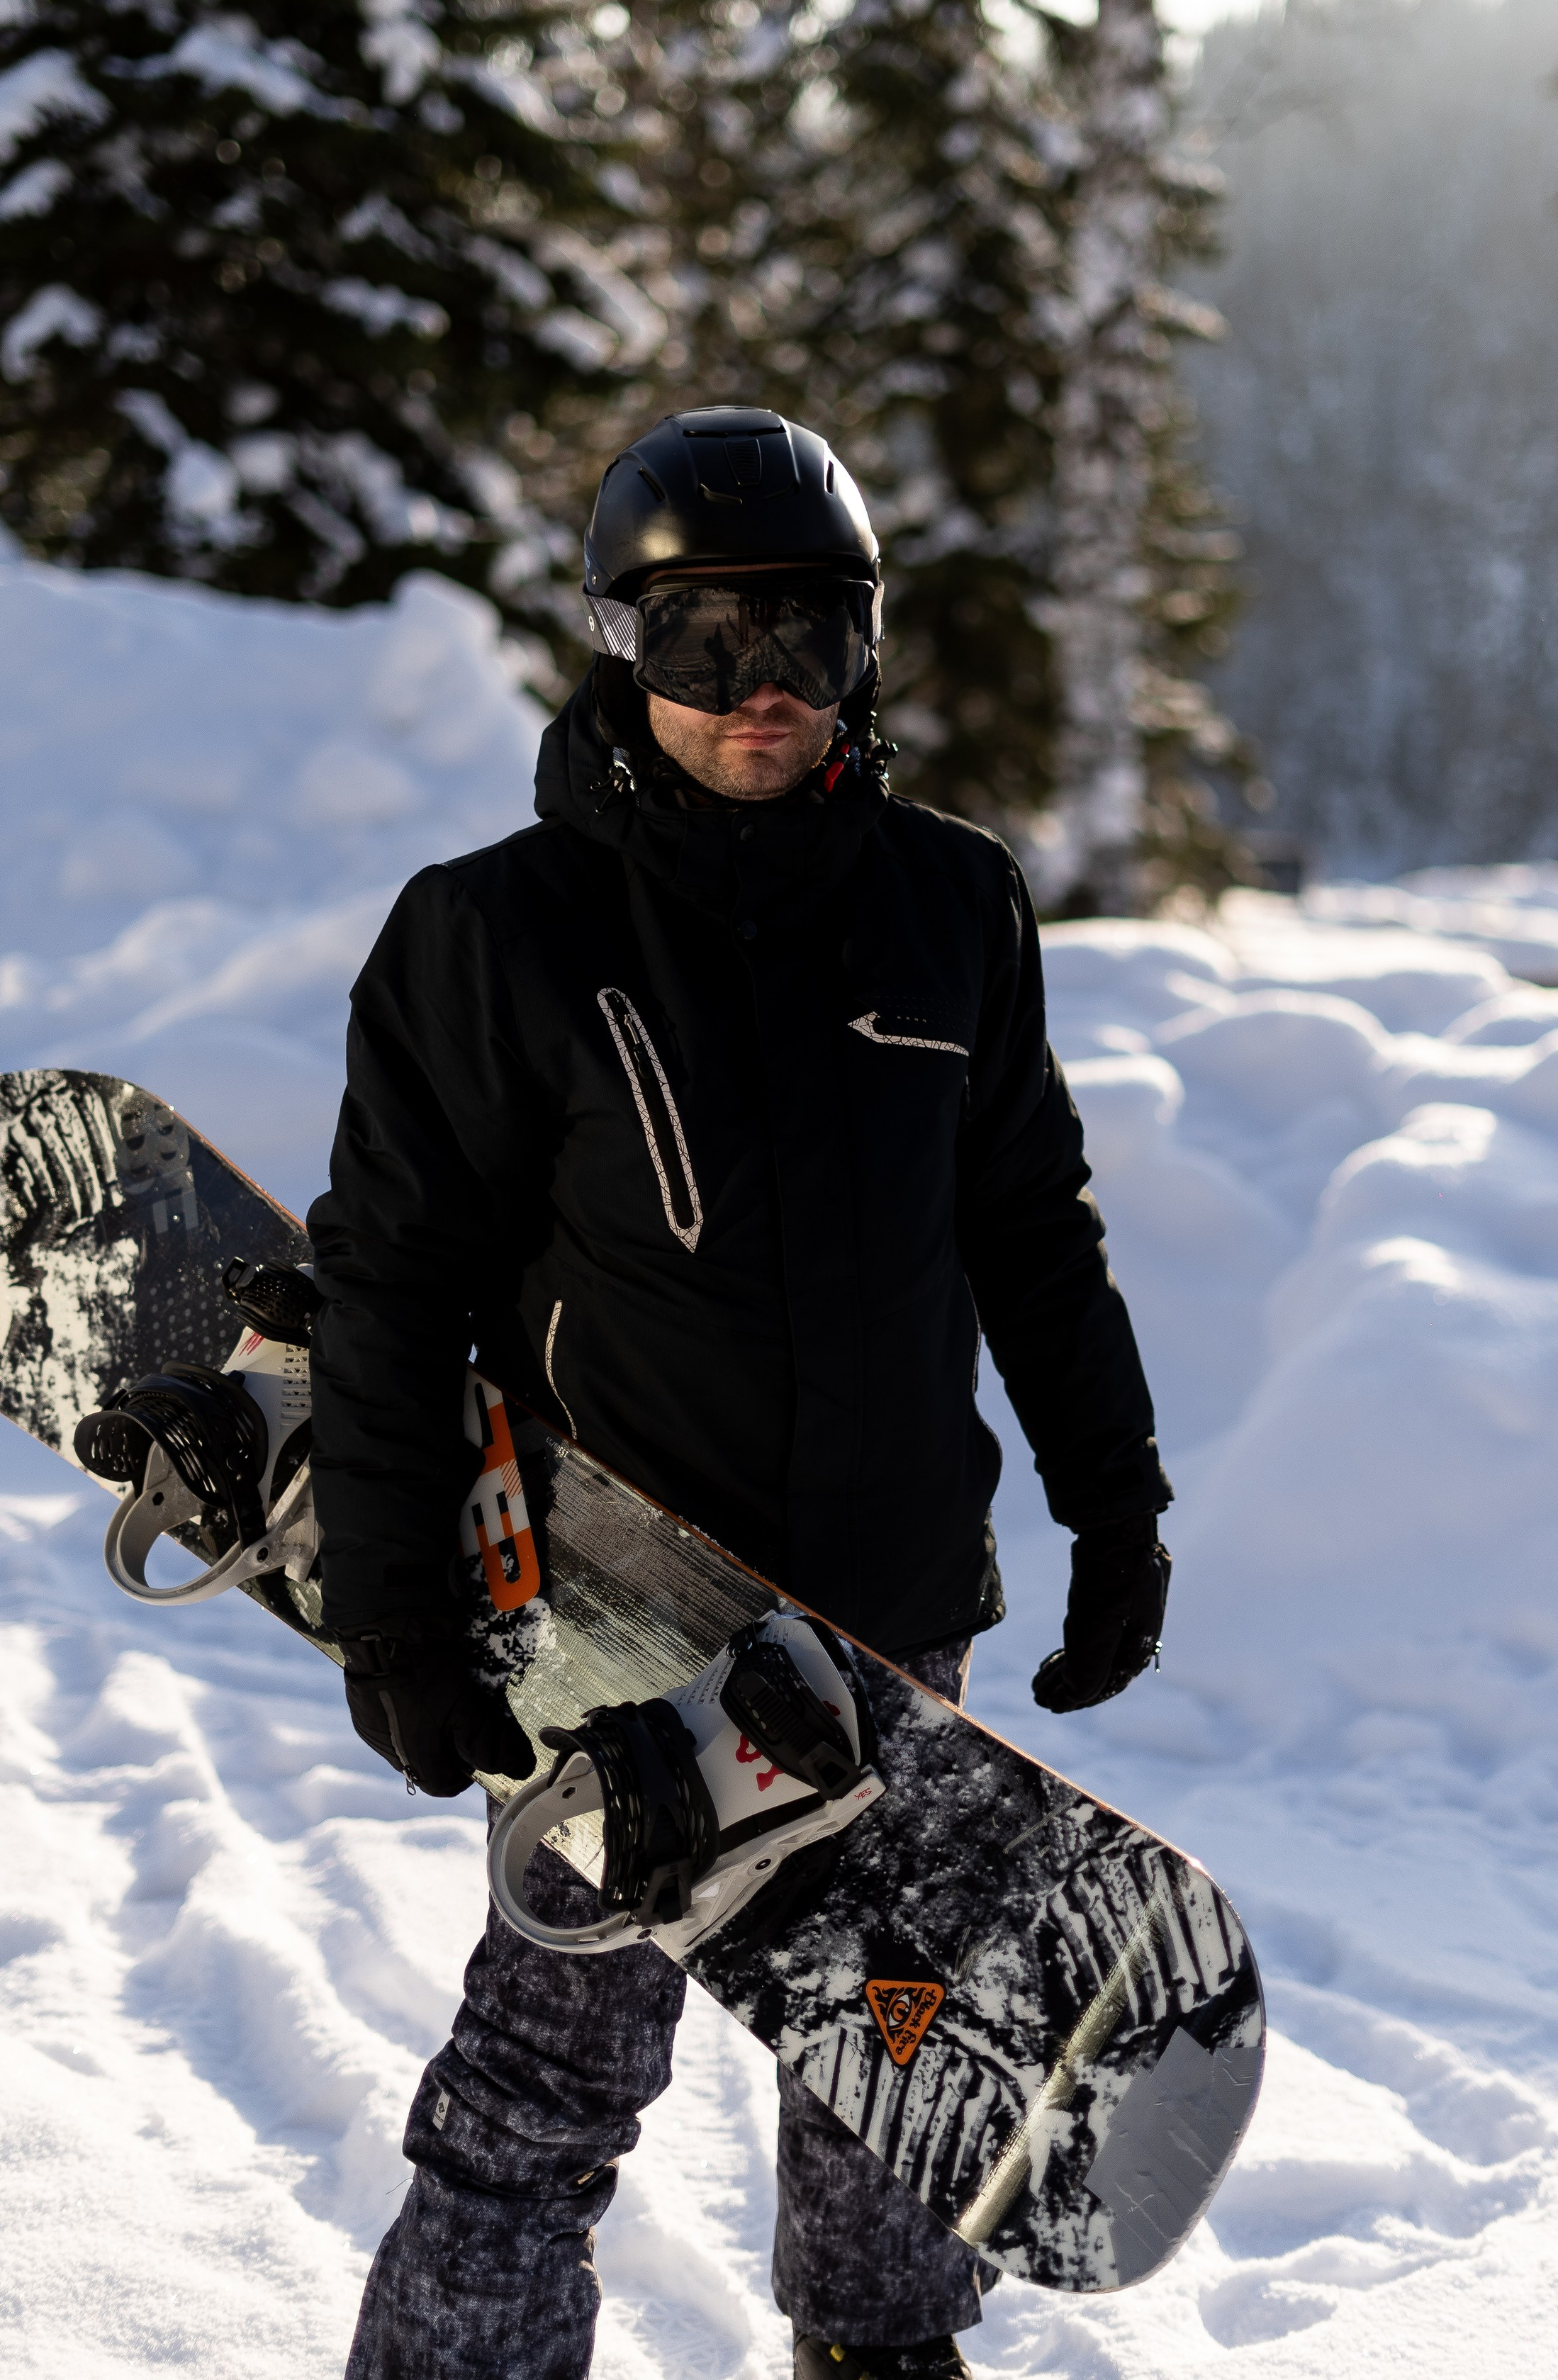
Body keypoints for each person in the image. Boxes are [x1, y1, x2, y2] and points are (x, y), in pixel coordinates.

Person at [307, 406, 1173, 2380]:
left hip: (891, 1620)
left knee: (897, 2088)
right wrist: (393, 1612)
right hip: (622, 1631)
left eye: (810, 636)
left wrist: (1116, 1506)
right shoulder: (493, 933)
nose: (761, 687)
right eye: (707, 639)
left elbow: (1033, 1233)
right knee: (543, 2091)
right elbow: (389, 1296)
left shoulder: (954, 903)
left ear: (865, 650)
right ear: (626, 648)